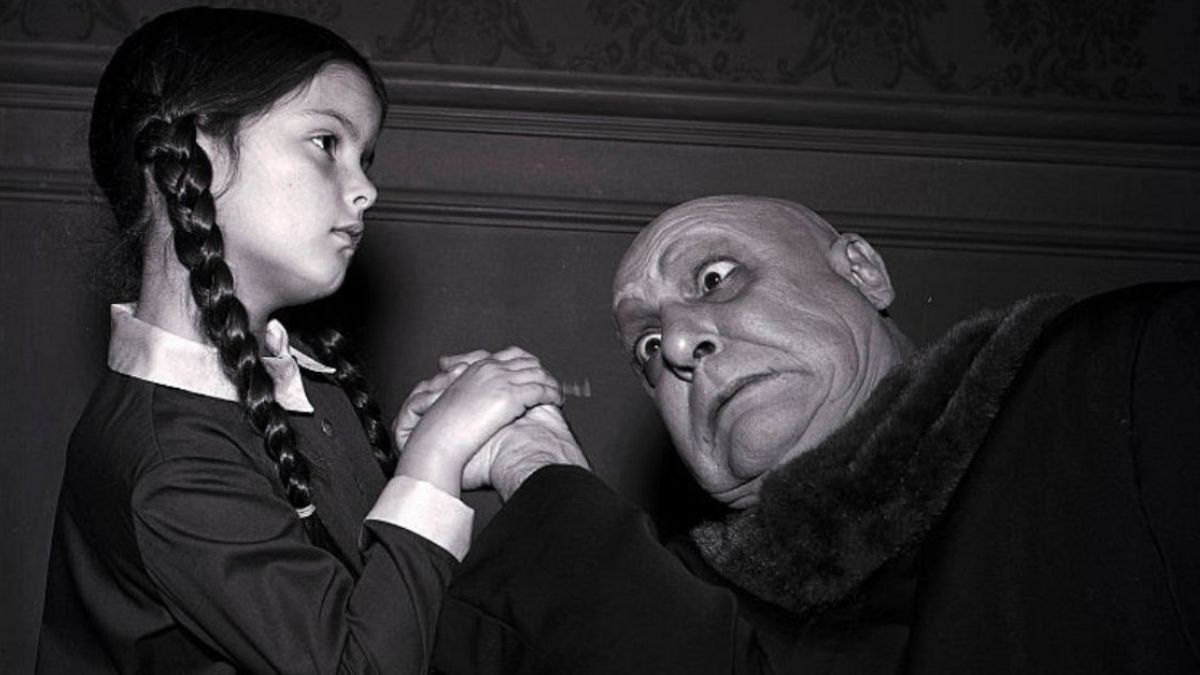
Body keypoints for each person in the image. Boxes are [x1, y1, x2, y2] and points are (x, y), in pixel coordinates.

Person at [430, 195, 1200, 674]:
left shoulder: (1129, 372)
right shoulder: (681, 600)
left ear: (862, 270)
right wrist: (540, 468)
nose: (678, 344)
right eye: (648, 347)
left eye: (715, 278)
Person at [36, 7, 567, 673]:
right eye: (325, 142)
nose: (367, 189)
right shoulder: (170, 460)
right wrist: (435, 458)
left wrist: (419, 461)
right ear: (192, 152)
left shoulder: (304, 388)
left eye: (365, 158)